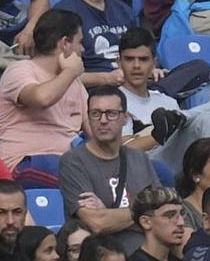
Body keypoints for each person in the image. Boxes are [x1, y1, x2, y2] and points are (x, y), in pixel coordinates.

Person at [59, 87, 160, 252]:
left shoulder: (139, 158)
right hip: (102, 257)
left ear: (125, 118)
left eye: (111, 113)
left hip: (149, 255)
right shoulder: (73, 162)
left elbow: (159, 211)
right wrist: (143, 212)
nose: (103, 120)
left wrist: (107, 212)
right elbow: (97, 223)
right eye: (96, 113)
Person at [0, 6, 86, 173]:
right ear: (65, 43)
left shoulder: (73, 82)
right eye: (80, 43)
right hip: (24, 164)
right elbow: (41, 98)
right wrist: (70, 71)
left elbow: (95, 129)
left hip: (67, 165)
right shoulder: (19, 70)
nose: (83, 50)